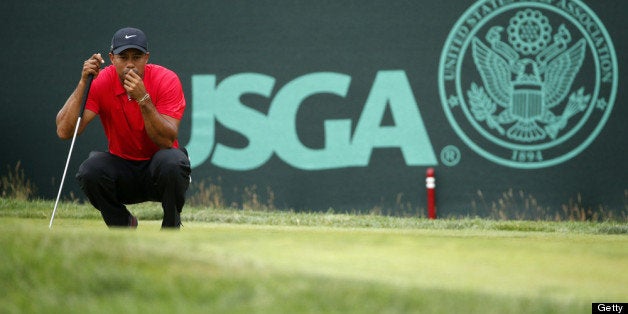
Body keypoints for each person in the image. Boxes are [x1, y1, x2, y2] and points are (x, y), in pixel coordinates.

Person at [56, 27, 191, 229]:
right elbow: (65, 131)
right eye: (122, 57)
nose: (130, 64)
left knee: (173, 161)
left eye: (136, 57)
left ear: (147, 58)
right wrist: (84, 82)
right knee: (90, 171)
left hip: (159, 170)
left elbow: (166, 141)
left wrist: (143, 99)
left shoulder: (166, 79)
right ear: (112, 58)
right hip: (123, 170)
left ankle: (171, 228)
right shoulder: (101, 81)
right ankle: (123, 225)